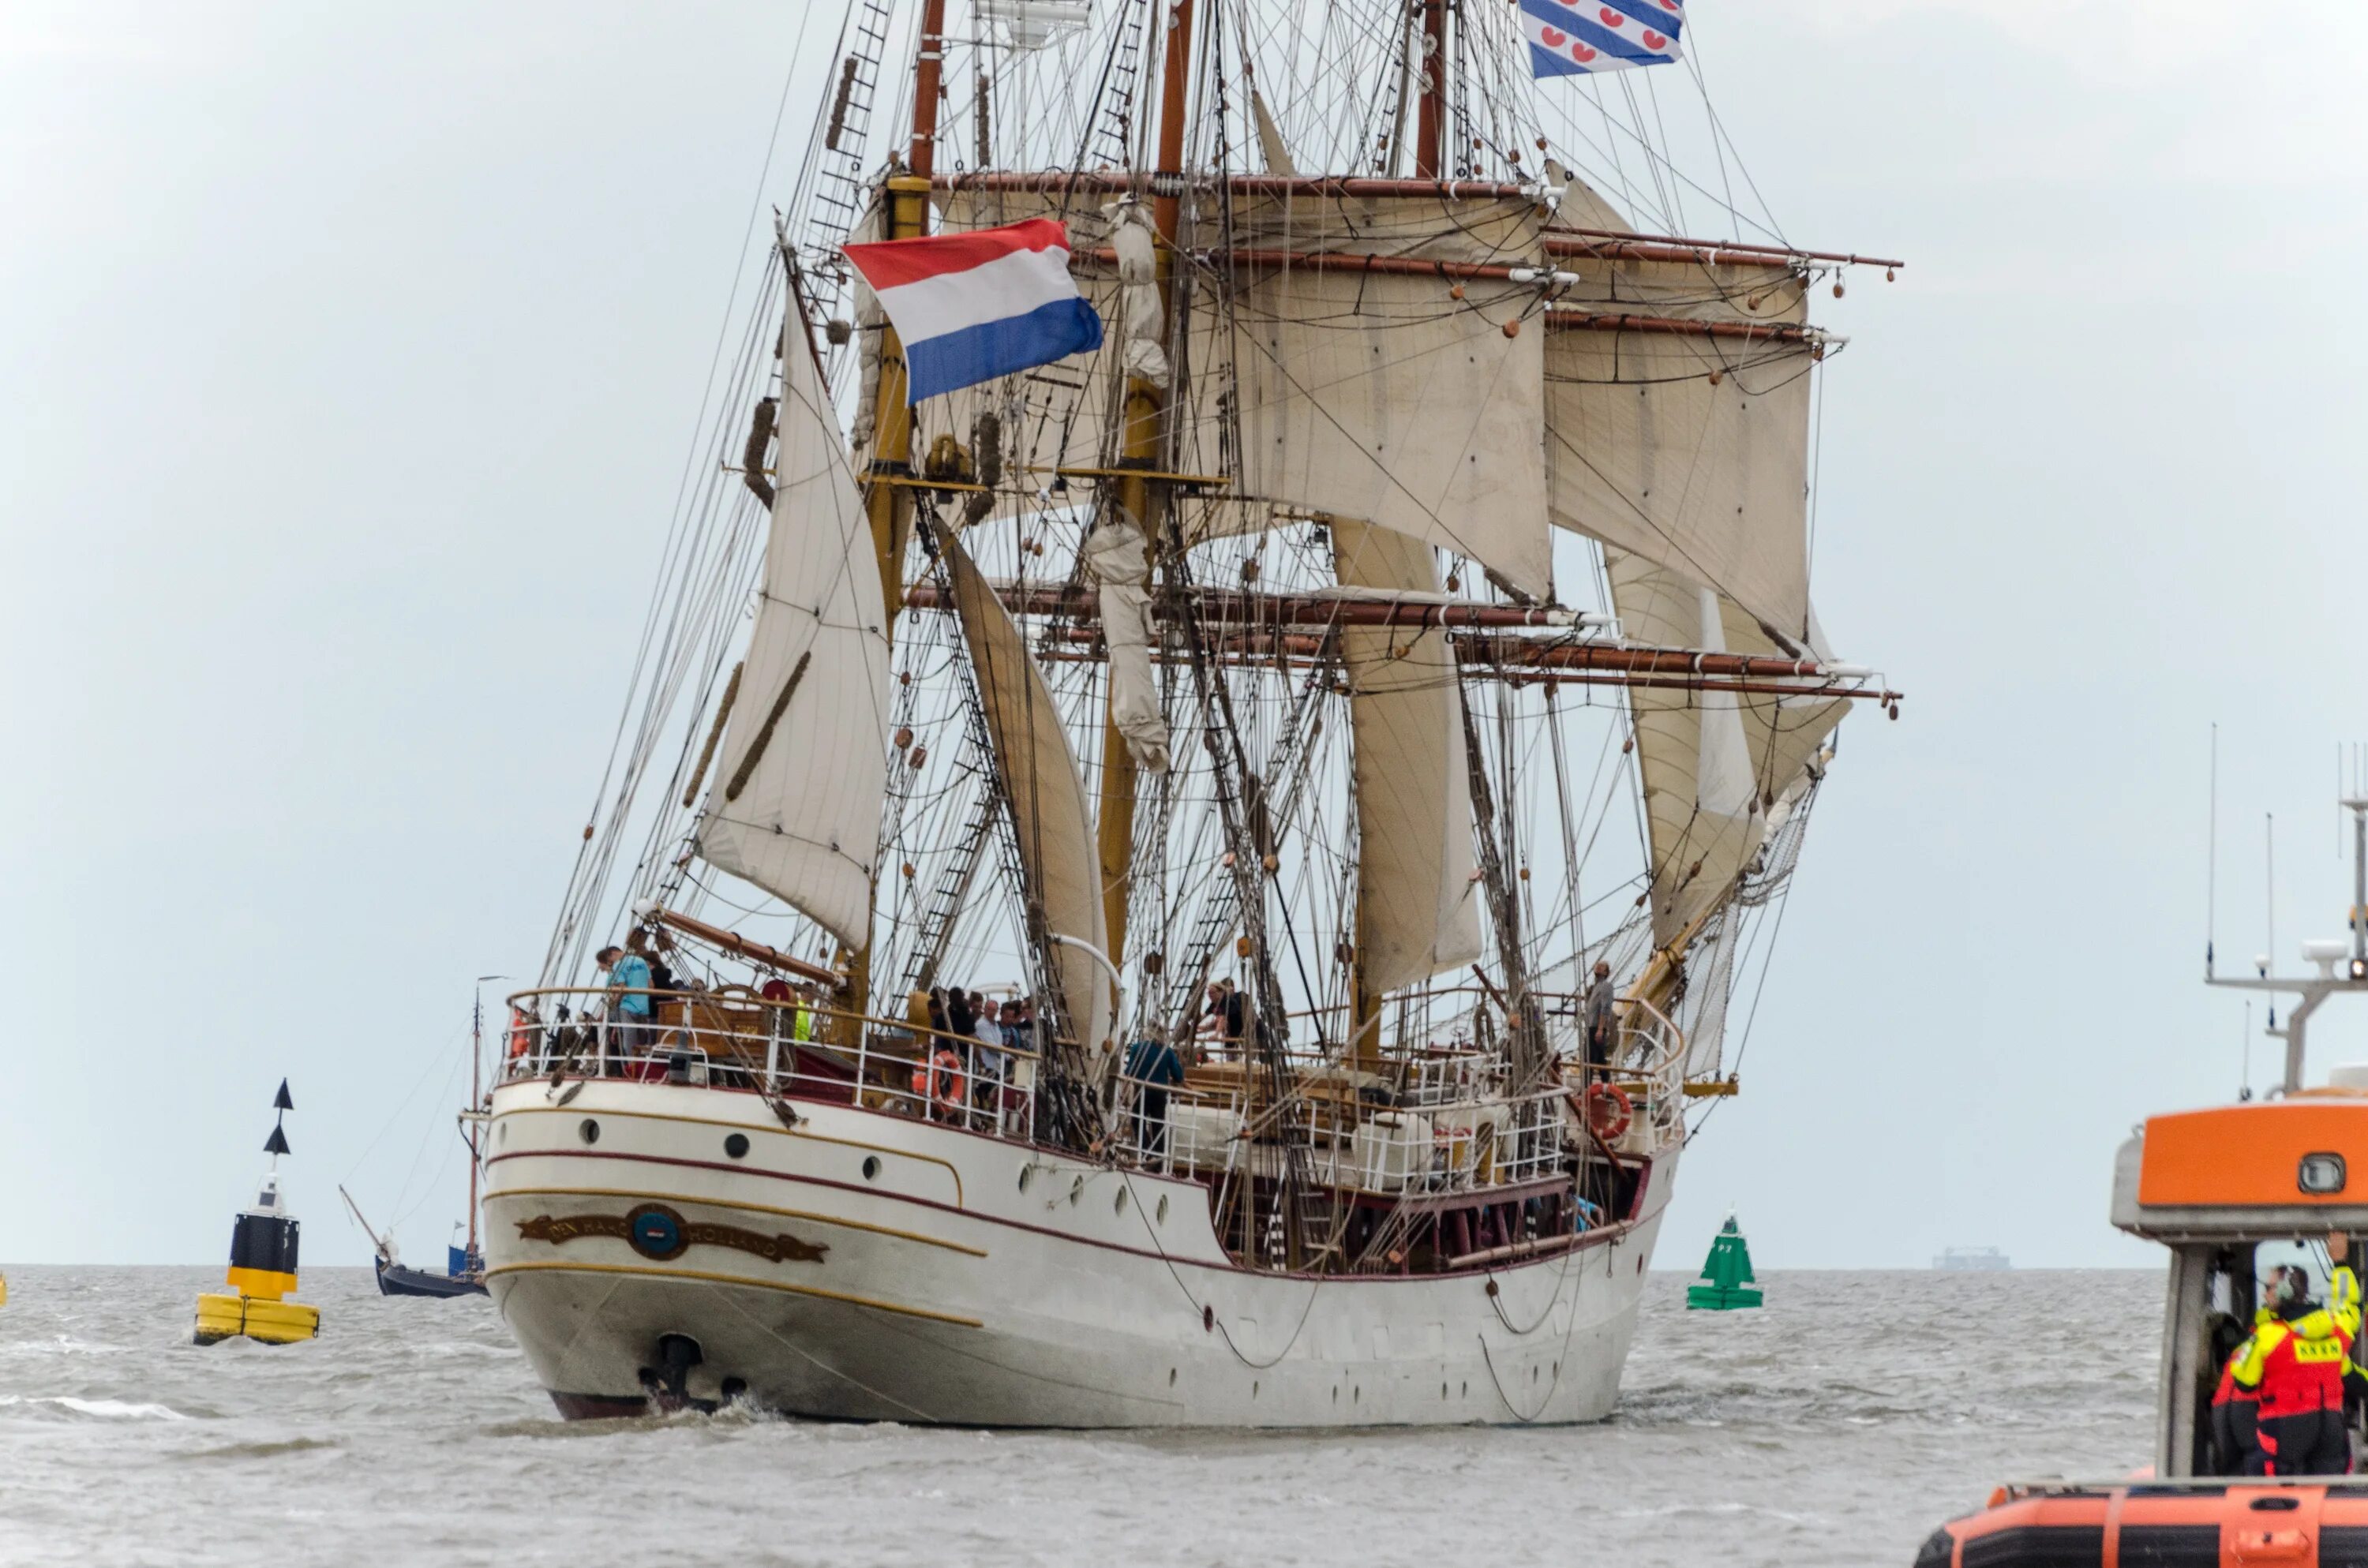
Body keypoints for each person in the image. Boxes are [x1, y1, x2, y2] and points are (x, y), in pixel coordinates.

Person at [2232, 1260, 2356, 1476]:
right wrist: (2341, 1264)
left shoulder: (2267, 1336)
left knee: (2260, 1471)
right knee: (2330, 1483)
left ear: (2284, 1291)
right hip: (2331, 1428)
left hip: (2284, 1431)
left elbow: (2243, 1382)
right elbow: (2350, 1305)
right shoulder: (2338, 1328)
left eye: (2269, 1288)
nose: (2265, 1295)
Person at [1123, 1034, 1186, 1166]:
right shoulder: (1167, 1051)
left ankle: (1147, 1151)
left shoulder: (1138, 1048)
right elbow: (1178, 1076)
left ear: (1147, 1033)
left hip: (1142, 1092)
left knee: (1137, 1121)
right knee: (1158, 1126)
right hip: (1160, 1094)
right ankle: (1158, 1161)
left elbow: (1129, 1071)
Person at [596, 944, 654, 1072]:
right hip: (644, 1007)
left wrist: (614, 1002)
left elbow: (621, 987)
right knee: (643, 1041)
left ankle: (632, 1069)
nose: (610, 963)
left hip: (628, 1006)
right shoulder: (641, 961)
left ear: (612, 954)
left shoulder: (618, 965)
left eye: (609, 960)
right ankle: (643, 1069)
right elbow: (651, 985)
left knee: (629, 1042)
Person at [1583, 960, 1617, 1077]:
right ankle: (1606, 1084)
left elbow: (1606, 1007)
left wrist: (1600, 1029)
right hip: (1591, 1026)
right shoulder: (1595, 987)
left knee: (1589, 1058)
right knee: (1599, 1059)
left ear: (1606, 972)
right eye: (1597, 965)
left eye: (1602, 966)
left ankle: (1586, 1086)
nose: (1598, 966)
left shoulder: (1606, 986)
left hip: (1596, 1027)